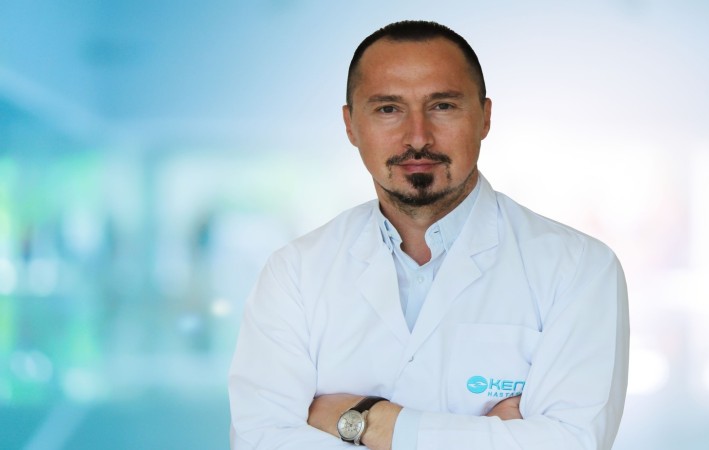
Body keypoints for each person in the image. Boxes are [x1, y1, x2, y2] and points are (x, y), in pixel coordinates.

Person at [229, 20, 629, 450]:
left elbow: (572, 442)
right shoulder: (296, 272)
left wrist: (366, 422)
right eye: (388, 109)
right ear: (350, 125)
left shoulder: (578, 268)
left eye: (442, 106)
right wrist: (491, 436)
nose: (417, 137)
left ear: (485, 117)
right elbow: (259, 441)